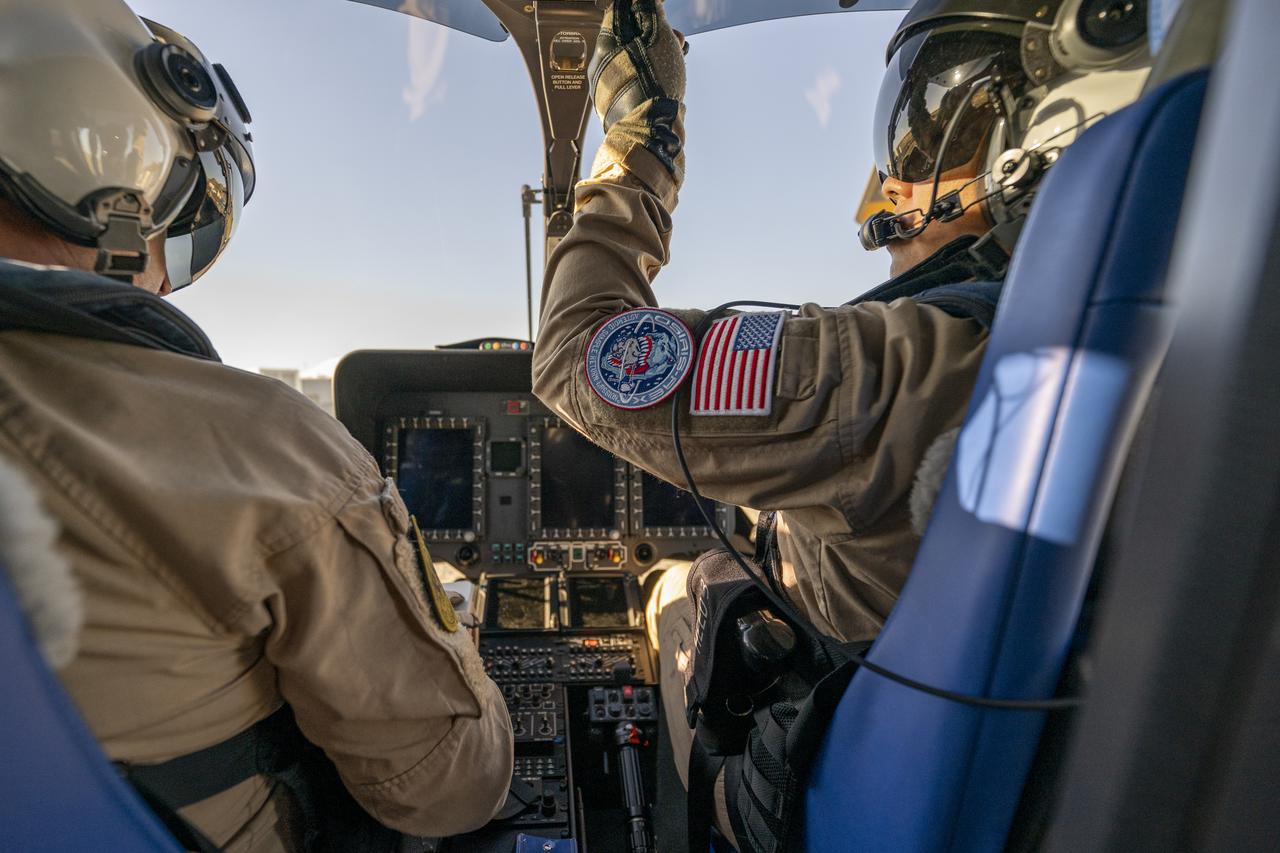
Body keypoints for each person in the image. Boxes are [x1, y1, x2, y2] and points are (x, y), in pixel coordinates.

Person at [532, 0, 1152, 844]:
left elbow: (577, 350)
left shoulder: (894, 370)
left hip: (824, 783)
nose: (889, 184)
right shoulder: (1146, 349)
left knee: (684, 584)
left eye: (928, 133)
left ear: (1037, 139)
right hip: (1027, 781)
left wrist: (641, 147)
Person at [0, 1, 513, 849]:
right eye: (185, 239)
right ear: (112, 181)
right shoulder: (255, 446)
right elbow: (449, 785)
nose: (167, 284)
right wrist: (449, 625)